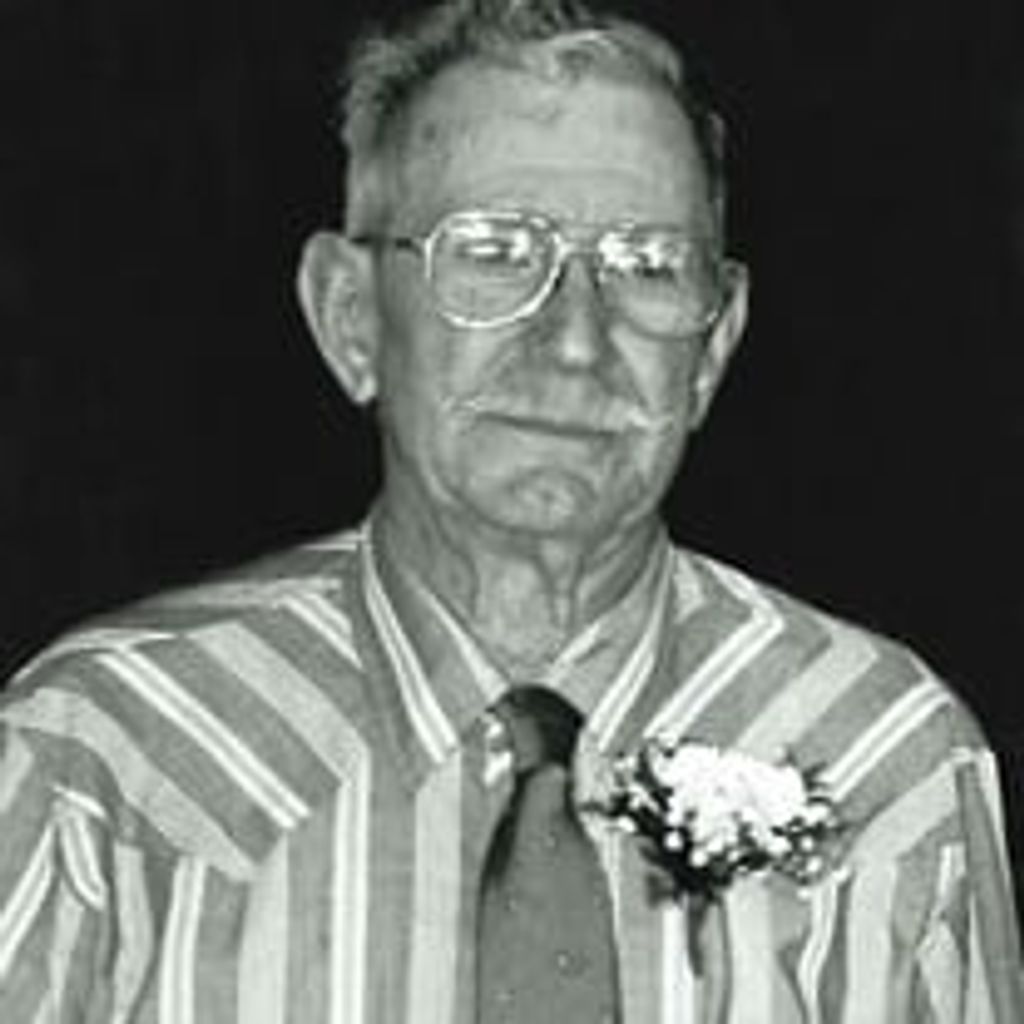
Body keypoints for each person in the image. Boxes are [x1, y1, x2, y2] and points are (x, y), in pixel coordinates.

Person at [1, 0, 1021, 1020]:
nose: (576, 340)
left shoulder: (885, 761)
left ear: (711, 346)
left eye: (649, 265)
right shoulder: (105, 762)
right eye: (492, 252)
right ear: (352, 318)